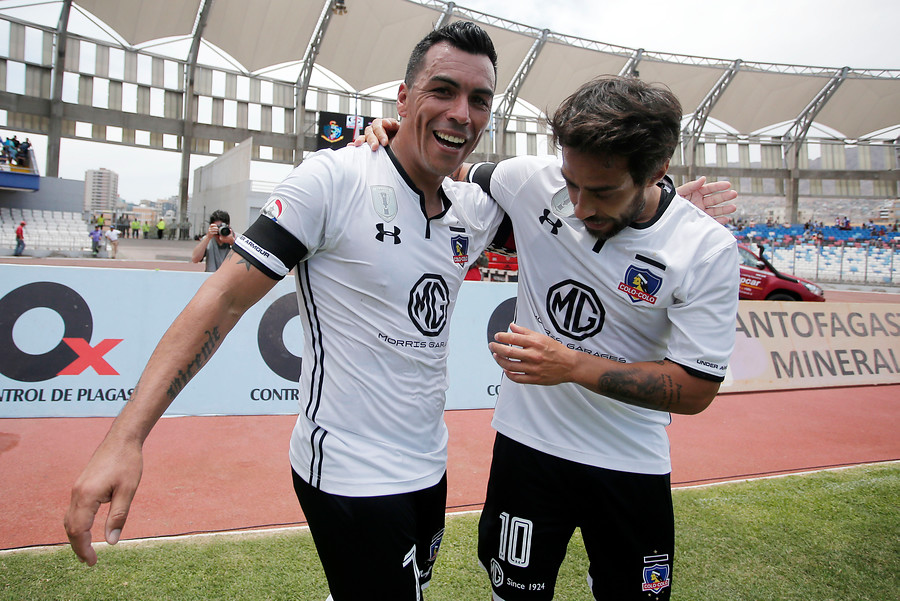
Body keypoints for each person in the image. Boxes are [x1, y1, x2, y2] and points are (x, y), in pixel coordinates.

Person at [64, 25, 732, 600]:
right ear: (403, 98)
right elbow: (223, 296)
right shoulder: (333, 180)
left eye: (478, 99)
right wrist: (126, 436)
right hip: (348, 471)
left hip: (427, 468)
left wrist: (669, 206)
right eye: (442, 91)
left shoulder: (477, 208)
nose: (461, 113)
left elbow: (592, 227)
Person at [363, 76, 739, 600]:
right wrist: (393, 138)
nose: (580, 207)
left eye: (602, 192)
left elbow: (696, 389)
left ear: (656, 171)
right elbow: (447, 168)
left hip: (630, 463)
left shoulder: (706, 248)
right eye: (571, 184)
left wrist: (571, 365)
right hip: (528, 452)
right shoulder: (530, 181)